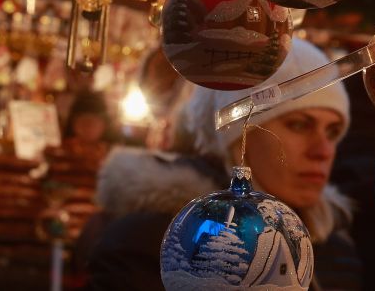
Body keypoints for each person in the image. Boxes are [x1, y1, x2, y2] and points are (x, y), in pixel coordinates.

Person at [81, 39, 360, 291]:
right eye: (298, 125)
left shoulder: (335, 251)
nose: (322, 151)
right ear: (236, 138)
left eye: (333, 131)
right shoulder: (153, 245)